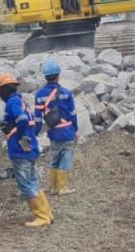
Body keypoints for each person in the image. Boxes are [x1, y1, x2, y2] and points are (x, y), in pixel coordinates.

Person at [0, 73, 53, 227]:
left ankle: (41, 217)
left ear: (3, 91)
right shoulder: (21, 101)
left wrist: (20, 136)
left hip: (21, 151)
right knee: (33, 181)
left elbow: (22, 120)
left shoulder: (12, 102)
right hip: (31, 149)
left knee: (26, 184)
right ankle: (47, 214)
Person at [34, 58, 78, 197]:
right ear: (58, 76)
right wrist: (75, 129)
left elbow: (37, 118)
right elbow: (73, 114)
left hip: (53, 133)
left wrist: (35, 133)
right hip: (68, 132)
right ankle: (62, 188)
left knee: (54, 159)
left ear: (45, 77)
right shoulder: (66, 93)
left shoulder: (39, 95)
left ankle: (53, 187)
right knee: (65, 159)